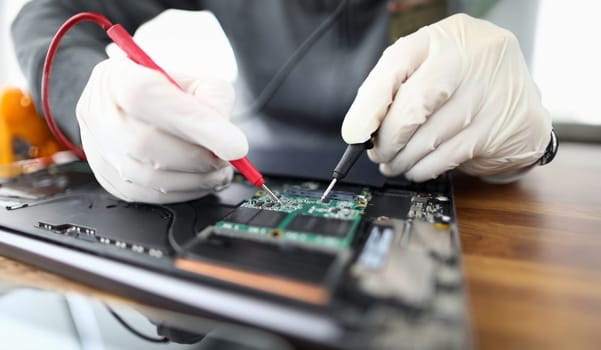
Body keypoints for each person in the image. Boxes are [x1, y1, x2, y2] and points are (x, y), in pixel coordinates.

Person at [11, 0, 554, 204]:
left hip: (463, 196)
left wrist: (537, 144)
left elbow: (520, 129)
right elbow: (48, 11)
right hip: (258, 163)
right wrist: (90, 95)